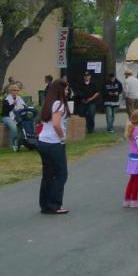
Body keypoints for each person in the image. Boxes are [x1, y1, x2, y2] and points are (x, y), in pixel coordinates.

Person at [37, 79, 70, 215]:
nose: (68, 91)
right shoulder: (59, 104)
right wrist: (62, 137)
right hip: (54, 142)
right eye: (66, 89)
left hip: (43, 141)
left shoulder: (49, 102)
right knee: (61, 173)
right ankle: (55, 204)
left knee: (48, 174)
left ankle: (45, 204)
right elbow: (56, 124)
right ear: (61, 90)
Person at [1, 83, 27, 150]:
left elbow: (24, 106)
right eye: (14, 90)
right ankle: (14, 144)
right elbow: (6, 111)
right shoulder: (7, 100)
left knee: (24, 125)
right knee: (14, 127)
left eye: (17, 90)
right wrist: (13, 104)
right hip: (6, 117)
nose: (15, 92)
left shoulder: (19, 98)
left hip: (17, 116)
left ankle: (23, 143)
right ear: (10, 91)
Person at [76, 70, 100, 135]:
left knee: (91, 114)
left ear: (90, 77)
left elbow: (97, 93)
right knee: (81, 114)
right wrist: (82, 99)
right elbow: (78, 92)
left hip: (92, 102)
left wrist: (91, 99)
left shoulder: (93, 84)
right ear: (84, 77)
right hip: (83, 101)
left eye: (88, 76)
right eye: (85, 76)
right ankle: (83, 127)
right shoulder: (80, 84)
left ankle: (90, 128)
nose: (86, 77)